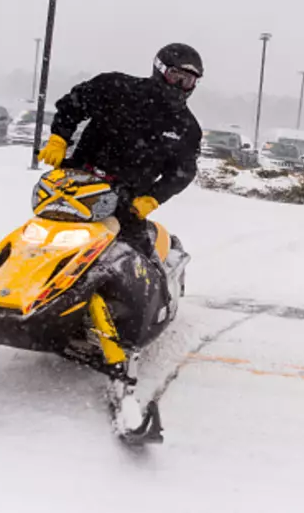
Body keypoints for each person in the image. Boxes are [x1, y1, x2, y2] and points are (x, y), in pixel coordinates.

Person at [37, 43, 203, 347]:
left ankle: (148, 311)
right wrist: (60, 136)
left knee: (137, 257)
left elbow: (183, 170)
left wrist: (151, 198)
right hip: (80, 184)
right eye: (176, 76)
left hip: (128, 200)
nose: (181, 85)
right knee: (42, 240)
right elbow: (72, 103)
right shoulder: (115, 87)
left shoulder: (186, 127)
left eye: (188, 81)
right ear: (159, 69)